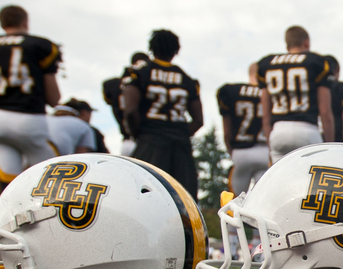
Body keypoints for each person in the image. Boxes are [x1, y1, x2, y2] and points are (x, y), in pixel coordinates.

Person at [0, 5, 61, 184]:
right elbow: (54, 99)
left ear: (2, 23)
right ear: (25, 21)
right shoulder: (40, 45)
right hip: (29, 118)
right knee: (51, 178)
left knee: (10, 183)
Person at [122, 29, 203, 197]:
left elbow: (130, 111)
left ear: (152, 47)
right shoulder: (186, 79)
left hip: (151, 142)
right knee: (183, 199)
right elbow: (198, 119)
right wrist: (179, 133)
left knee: (141, 196)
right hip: (180, 146)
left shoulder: (140, 72)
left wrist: (140, 133)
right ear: (176, 50)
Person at [256, 25, 335, 164]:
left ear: (287, 45)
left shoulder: (266, 64)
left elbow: (266, 115)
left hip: (278, 131)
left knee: (281, 183)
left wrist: (270, 142)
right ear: (306, 42)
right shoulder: (317, 62)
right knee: (313, 184)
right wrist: (330, 145)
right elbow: (325, 111)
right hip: (307, 130)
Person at [217, 64, 270, 195]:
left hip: (241, 152)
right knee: (262, 199)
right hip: (265, 151)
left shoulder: (231, 91)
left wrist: (232, 152)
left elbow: (227, 133)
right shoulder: (269, 94)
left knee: (234, 202)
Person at [102, 52, 149, 155]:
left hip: (126, 142)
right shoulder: (143, 83)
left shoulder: (111, 84)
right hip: (144, 141)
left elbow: (109, 101)